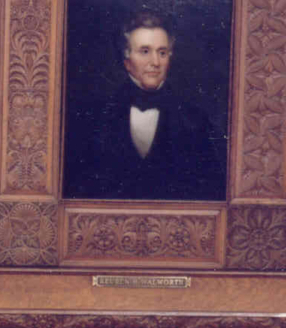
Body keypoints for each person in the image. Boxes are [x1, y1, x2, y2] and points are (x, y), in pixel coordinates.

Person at [63, 11, 222, 202]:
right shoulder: (94, 117)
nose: (155, 62)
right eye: (145, 51)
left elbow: (210, 193)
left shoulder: (195, 120)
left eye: (162, 53)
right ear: (127, 60)